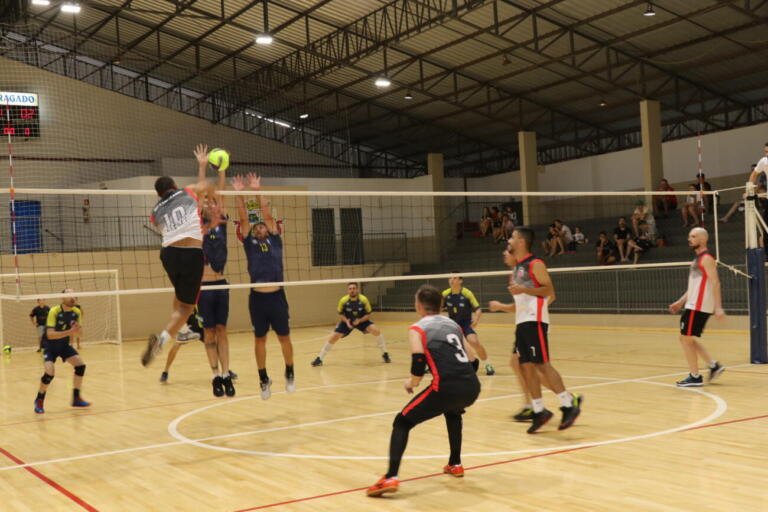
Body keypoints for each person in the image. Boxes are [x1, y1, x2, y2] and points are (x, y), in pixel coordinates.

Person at [366, 285, 481, 497]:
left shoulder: (417, 328)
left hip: (447, 387)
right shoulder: (453, 324)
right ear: (441, 306)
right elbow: (473, 360)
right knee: (453, 411)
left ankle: (391, 476)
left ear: (418, 306)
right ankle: (455, 463)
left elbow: (418, 362)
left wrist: (411, 383)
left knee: (402, 422)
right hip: (472, 386)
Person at [142, 144, 221, 367]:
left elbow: (166, 227)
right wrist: (208, 199)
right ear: (174, 186)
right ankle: (164, 338)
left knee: (179, 296)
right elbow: (207, 185)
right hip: (190, 254)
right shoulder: (186, 191)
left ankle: (184, 329)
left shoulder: (155, 212)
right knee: (187, 307)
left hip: (168, 254)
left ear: (159, 194)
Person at [497, 228, 582, 433]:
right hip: (522, 322)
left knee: (542, 365)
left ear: (521, 241)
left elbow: (549, 291)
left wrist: (525, 290)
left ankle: (568, 405)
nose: (509, 240)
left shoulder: (536, 264)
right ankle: (539, 410)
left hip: (535, 321)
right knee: (526, 367)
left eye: (512, 237)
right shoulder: (517, 268)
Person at [233, 173, 295, 400]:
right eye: (256, 228)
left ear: (269, 230)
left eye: (262, 227)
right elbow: (243, 218)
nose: (260, 229)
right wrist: (239, 194)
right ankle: (263, 379)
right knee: (260, 339)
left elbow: (267, 215)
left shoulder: (276, 240)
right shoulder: (249, 244)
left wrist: (257, 190)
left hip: (277, 297)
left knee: (284, 338)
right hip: (258, 299)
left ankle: (290, 372)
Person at [196, 162, 236, 397]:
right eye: (207, 202)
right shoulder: (198, 224)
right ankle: (214, 376)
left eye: (214, 202)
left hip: (221, 284)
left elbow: (219, 193)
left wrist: (222, 170)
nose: (211, 203)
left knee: (222, 330)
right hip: (203, 286)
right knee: (209, 333)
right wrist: (202, 166)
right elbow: (201, 191)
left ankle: (226, 373)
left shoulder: (221, 220)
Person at [668, 227, 726, 387]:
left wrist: (718, 307)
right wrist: (680, 302)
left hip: (699, 306)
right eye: (689, 236)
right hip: (692, 304)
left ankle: (695, 376)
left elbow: (715, 282)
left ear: (702, 239)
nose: (689, 239)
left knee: (685, 338)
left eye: (693, 236)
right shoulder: (696, 260)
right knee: (686, 338)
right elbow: (694, 286)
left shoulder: (707, 258)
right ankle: (713, 365)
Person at [34, 289, 90, 413]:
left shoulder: (76, 312)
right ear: (62, 298)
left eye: (74, 295)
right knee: (49, 373)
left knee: (80, 366)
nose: (72, 298)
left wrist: (77, 329)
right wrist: (70, 332)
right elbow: (50, 334)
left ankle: (76, 398)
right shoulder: (54, 311)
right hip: (49, 345)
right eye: (69, 295)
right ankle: (39, 399)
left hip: (64, 345)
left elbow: (80, 334)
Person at [311, 282, 390, 366]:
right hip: (347, 320)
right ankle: (320, 358)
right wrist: (347, 321)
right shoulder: (343, 300)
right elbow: (340, 314)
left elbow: (368, 314)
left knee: (376, 330)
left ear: (357, 289)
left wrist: (359, 320)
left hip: (361, 320)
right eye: (350, 289)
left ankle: (385, 354)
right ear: (347, 290)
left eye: (354, 288)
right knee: (334, 337)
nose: (352, 290)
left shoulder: (363, 299)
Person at [442, 274, 494, 375]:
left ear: (461, 281)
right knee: (439, 343)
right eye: (450, 278)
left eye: (454, 278)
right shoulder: (445, 294)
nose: (451, 280)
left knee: (474, 341)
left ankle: (488, 363)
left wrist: (476, 320)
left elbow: (478, 309)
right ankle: (429, 365)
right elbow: (438, 307)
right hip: (452, 325)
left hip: (465, 324)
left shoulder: (467, 293)